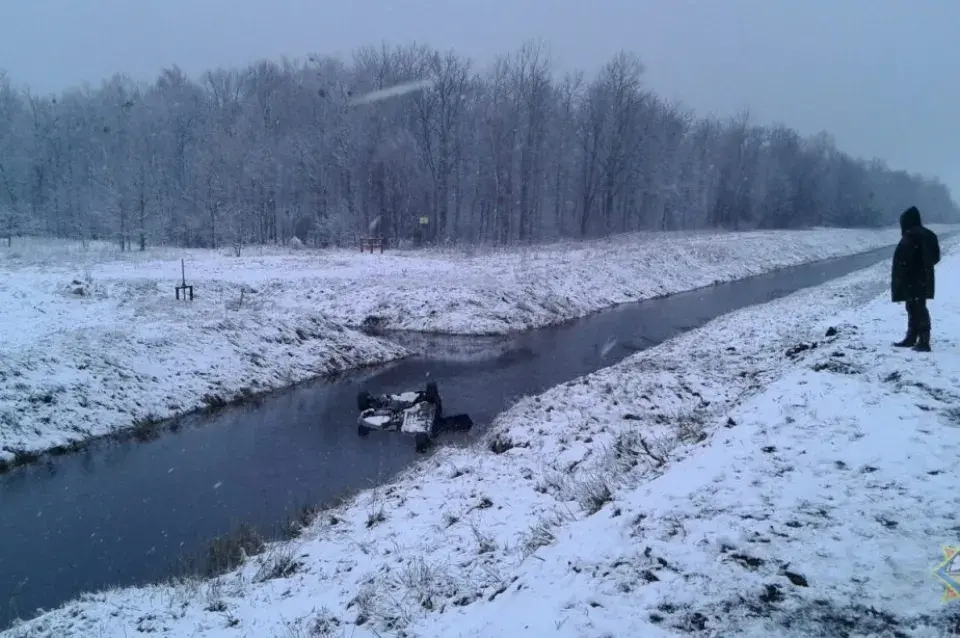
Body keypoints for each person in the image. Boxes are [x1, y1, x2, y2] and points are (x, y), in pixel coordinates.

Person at [891, 206, 940, 352]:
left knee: (916, 308)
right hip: (924, 277)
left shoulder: (910, 235)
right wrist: (925, 266)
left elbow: (903, 260)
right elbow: (936, 257)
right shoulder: (930, 234)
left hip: (911, 278)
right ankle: (913, 338)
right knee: (916, 306)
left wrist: (902, 275)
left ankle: (922, 340)